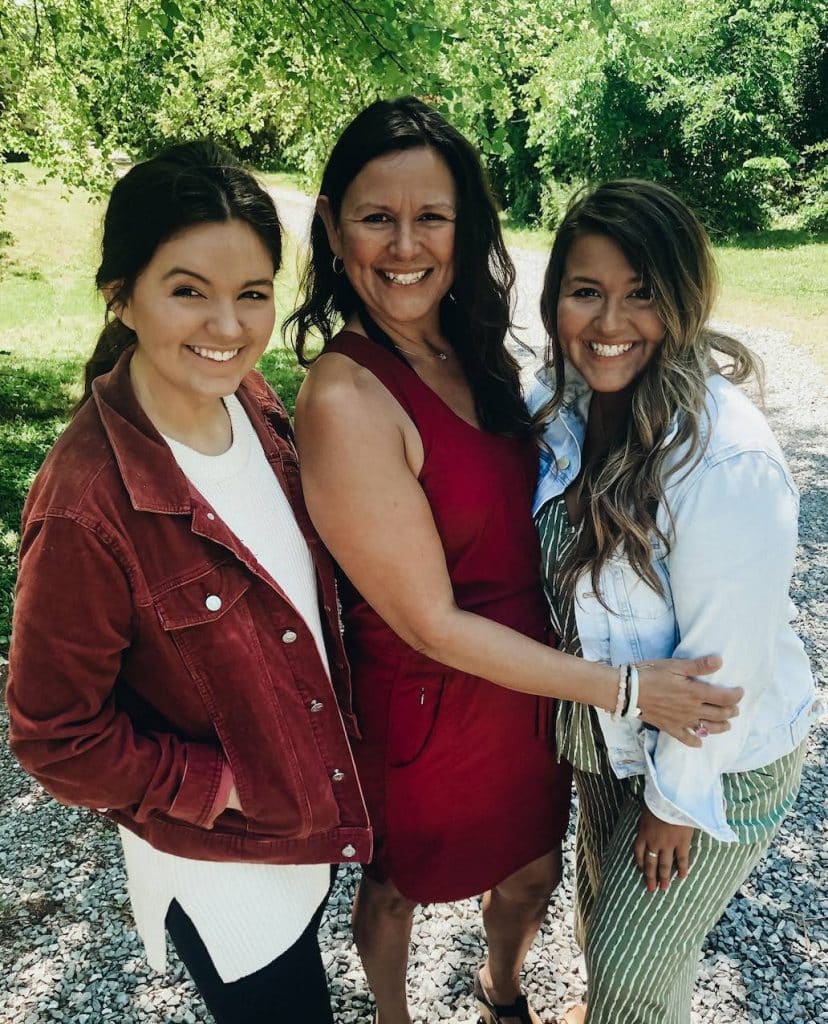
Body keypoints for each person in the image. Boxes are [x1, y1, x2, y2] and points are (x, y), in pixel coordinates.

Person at [285, 98, 742, 1024]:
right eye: (377, 218)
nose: (405, 245)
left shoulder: (473, 345)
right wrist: (621, 688)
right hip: (424, 694)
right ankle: (391, 1015)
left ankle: (501, 991)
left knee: (532, 868)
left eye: (432, 218)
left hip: (533, 687)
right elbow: (426, 621)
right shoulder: (345, 397)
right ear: (333, 228)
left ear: (466, 229)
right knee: (400, 887)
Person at [6, 140, 372, 1024]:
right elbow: (54, 737)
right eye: (187, 290)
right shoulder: (86, 505)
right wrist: (224, 786)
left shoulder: (253, 406)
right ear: (121, 295)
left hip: (305, 829)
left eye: (252, 294)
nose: (228, 326)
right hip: (224, 870)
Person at [527, 179, 819, 1024]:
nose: (609, 323)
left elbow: (725, 665)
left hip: (714, 763)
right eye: (587, 292)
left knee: (630, 969)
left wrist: (675, 805)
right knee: (599, 924)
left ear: (682, 300)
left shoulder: (728, 461)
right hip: (608, 728)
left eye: (641, 295)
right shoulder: (566, 407)